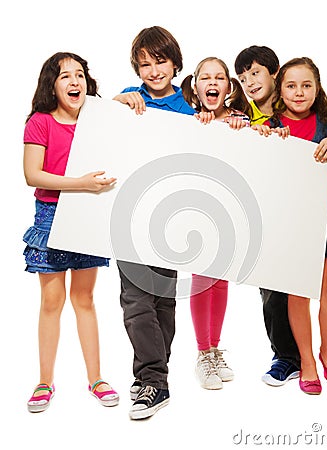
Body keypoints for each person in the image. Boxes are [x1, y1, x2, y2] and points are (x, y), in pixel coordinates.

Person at [234, 46, 327, 387]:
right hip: (287, 217)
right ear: (281, 87)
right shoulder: (268, 122)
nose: (298, 92)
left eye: (306, 86)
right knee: (295, 291)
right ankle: (304, 362)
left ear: (317, 88)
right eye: (292, 86)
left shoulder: (326, 122)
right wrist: (265, 136)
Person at [23, 52, 119, 413]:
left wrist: (123, 100)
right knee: (51, 301)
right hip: (51, 214)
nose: (74, 82)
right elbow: (32, 174)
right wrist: (79, 184)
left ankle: (96, 378)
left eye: (80, 75)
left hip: (88, 214)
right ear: (52, 83)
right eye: (65, 76)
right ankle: (44, 381)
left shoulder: (96, 120)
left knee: (85, 299)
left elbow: (122, 116)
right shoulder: (40, 122)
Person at [113, 26, 196, 420]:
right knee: (135, 301)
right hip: (131, 213)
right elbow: (99, 128)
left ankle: (152, 372)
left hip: (172, 217)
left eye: (159, 61)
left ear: (175, 63)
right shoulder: (131, 102)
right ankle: (153, 379)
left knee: (162, 301)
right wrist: (116, 103)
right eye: (144, 64)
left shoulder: (190, 107)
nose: (153, 70)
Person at [180, 57, 251, 390]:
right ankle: (201, 353)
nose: (213, 82)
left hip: (230, 211)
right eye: (205, 77)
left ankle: (214, 349)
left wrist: (248, 128)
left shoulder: (241, 120)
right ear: (196, 86)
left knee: (221, 280)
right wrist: (200, 123)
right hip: (197, 209)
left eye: (219, 77)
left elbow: (260, 151)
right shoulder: (190, 119)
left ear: (229, 86)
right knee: (201, 277)